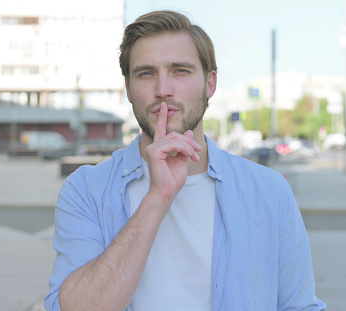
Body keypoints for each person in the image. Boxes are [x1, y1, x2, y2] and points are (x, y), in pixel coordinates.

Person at [45, 10, 326, 311]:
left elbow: (300, 305)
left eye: (180, 70)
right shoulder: (86, 190)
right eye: (146, 73)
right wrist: (157, 198)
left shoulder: (269, 190)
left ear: (210, 84)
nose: (163, 90)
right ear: (127, 88)